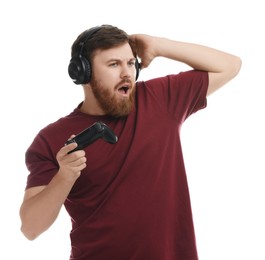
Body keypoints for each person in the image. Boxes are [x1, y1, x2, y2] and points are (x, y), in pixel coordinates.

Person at [19, 24, 241, 260]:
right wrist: (65, 175)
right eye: (114, 64)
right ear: (82, 73)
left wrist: (158, 46)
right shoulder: (51, 139)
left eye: (130, 63)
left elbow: (229, 65)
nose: (127, 73)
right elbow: (31, 228)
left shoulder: (160, 99)